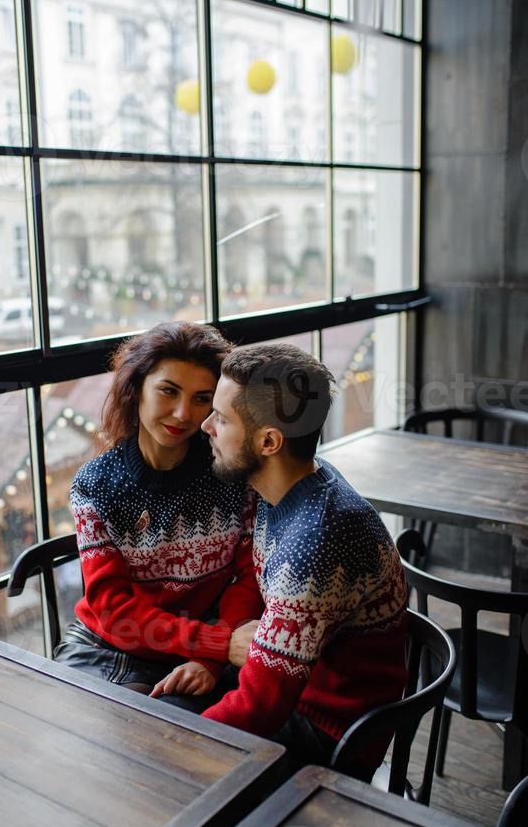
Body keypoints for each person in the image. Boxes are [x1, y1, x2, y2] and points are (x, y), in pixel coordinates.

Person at [154, 342, 407, 777]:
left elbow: (259, 709)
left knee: (166, 751)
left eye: (222, 418)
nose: (206, 427)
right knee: (166, 705)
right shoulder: (296, 483)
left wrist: (167, 753)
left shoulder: (316, 541)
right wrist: (228, 650)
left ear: (269, 441)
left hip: (330, 731)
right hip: (299, 684)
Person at [54, 322, 263, 705]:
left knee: (179, 746)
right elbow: (113, 611)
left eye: (202, 398)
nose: (183, 414)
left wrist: (211, 657)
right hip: (109, 647)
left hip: (205, 645)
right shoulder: (96, 485)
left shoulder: (233, 475)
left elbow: (251, 576)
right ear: (136, 391)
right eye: (168, 391)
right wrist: (218, 645)